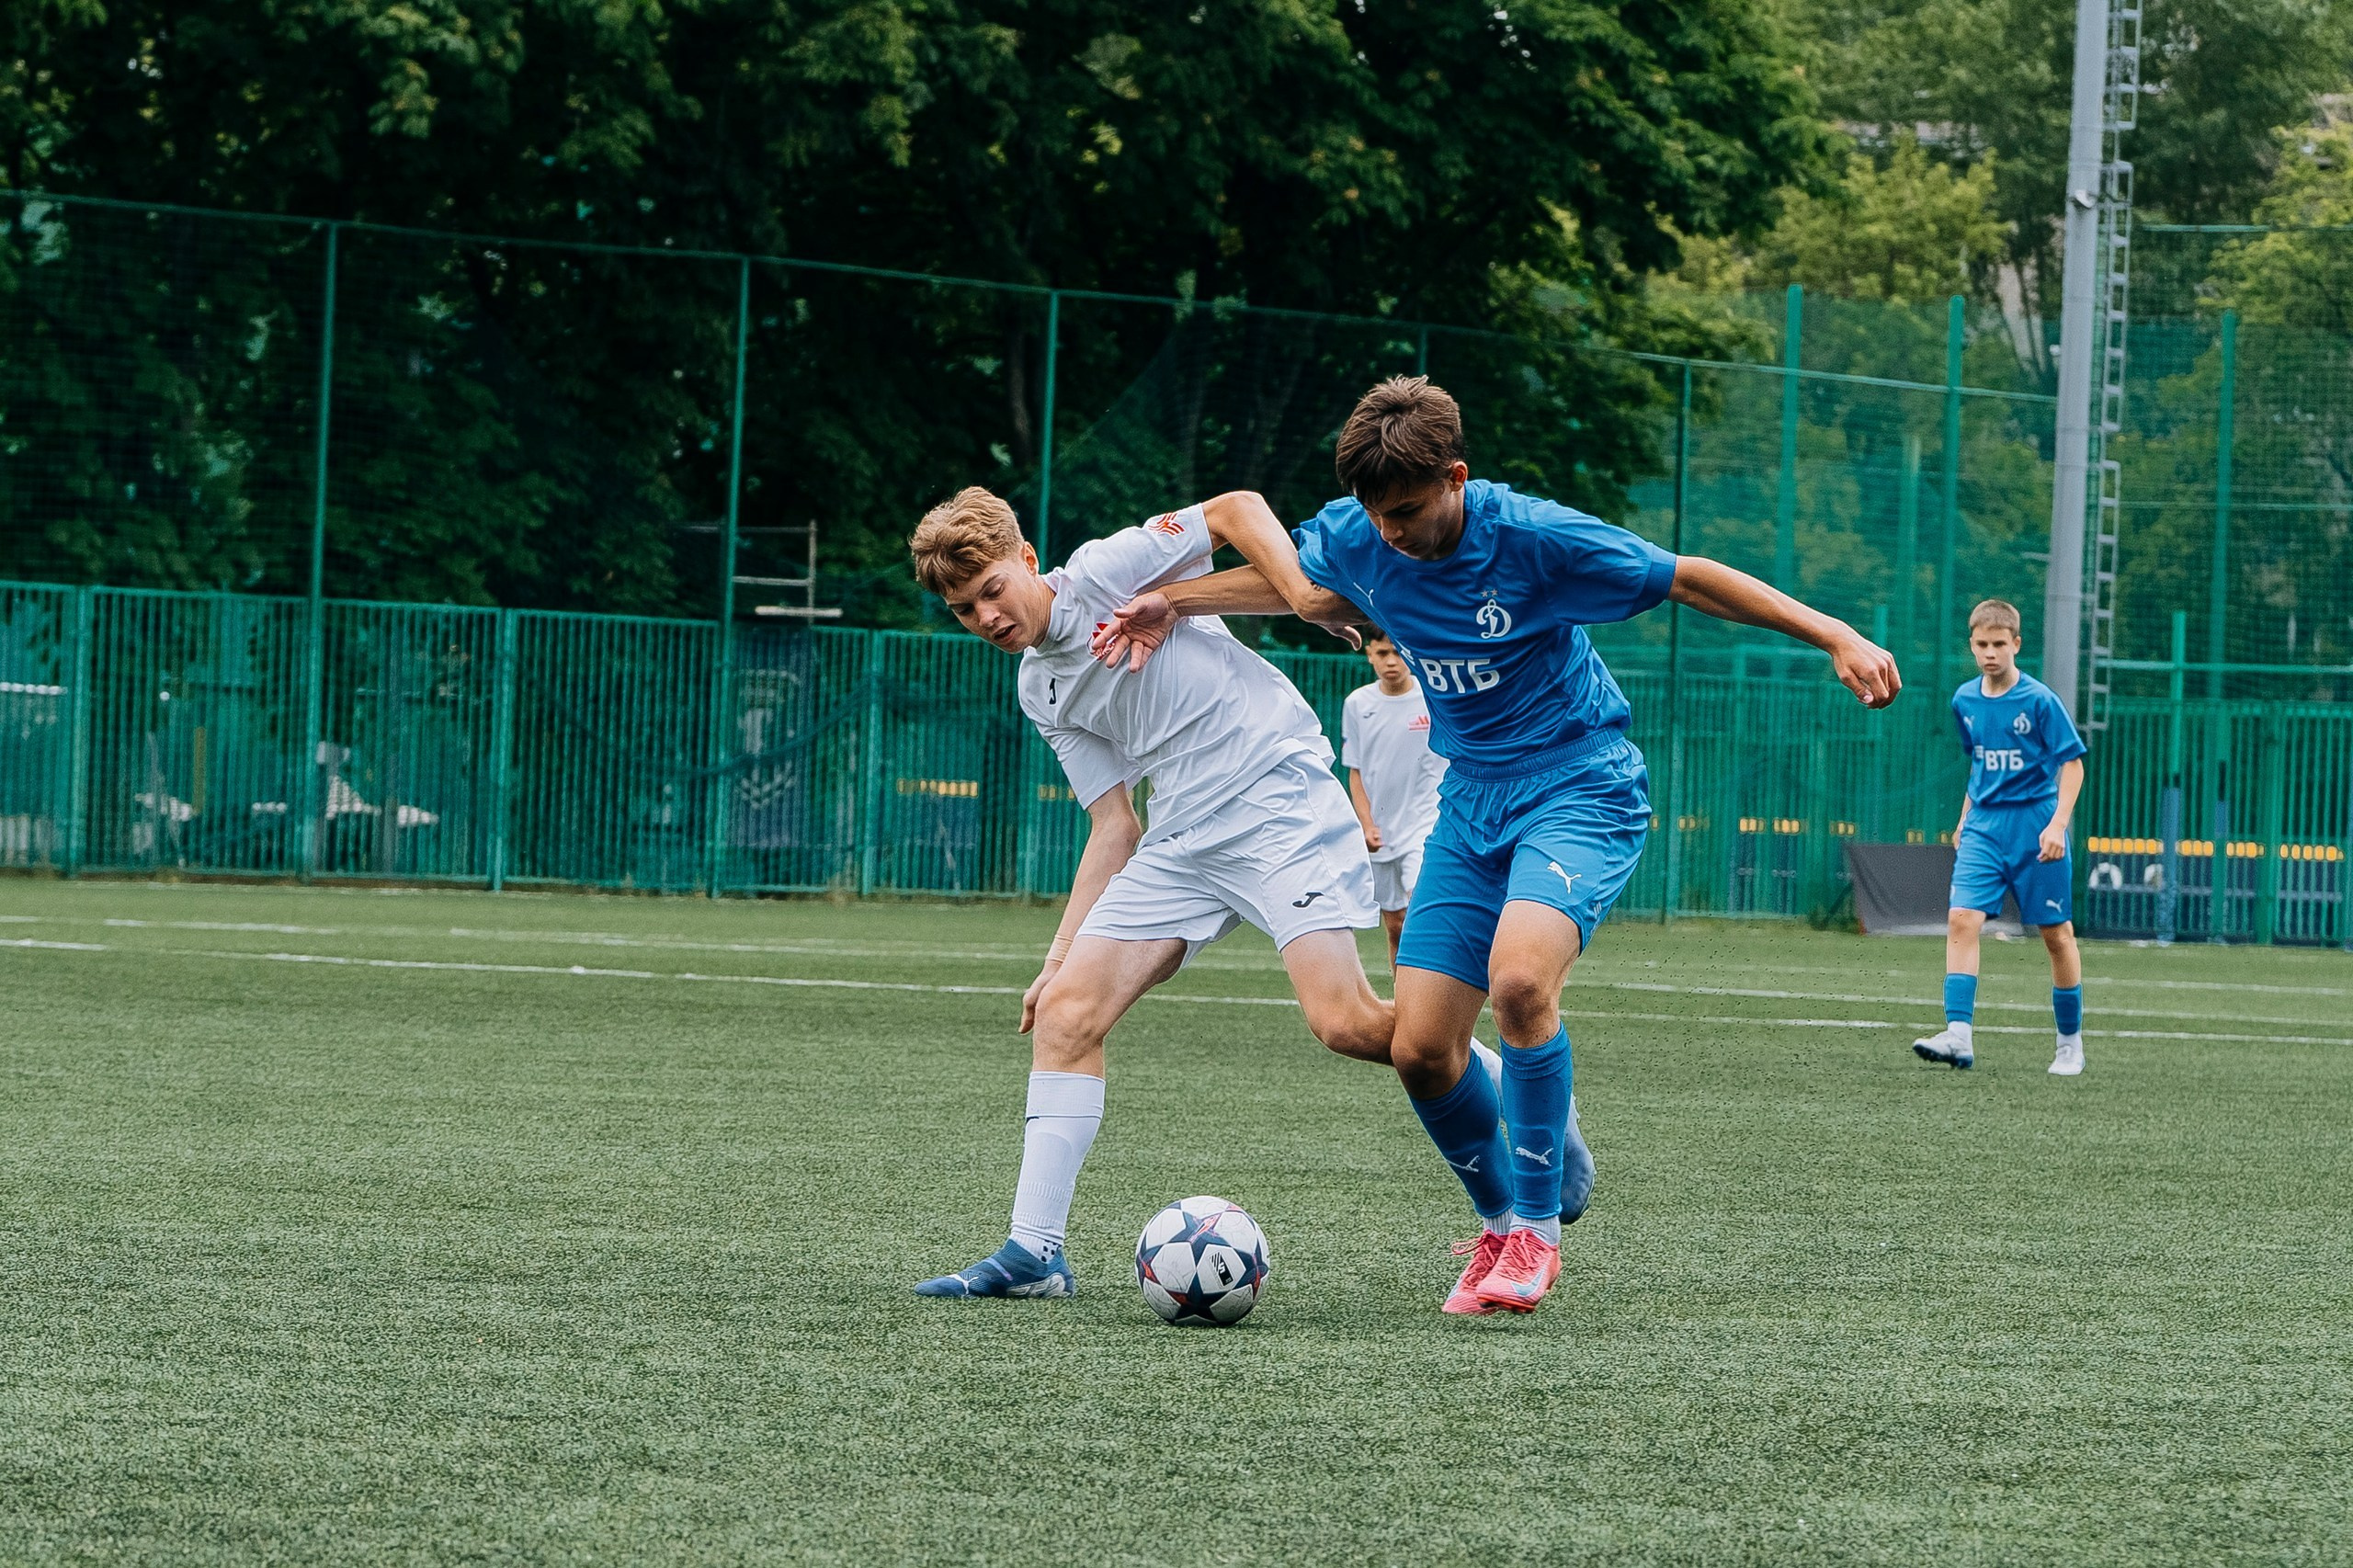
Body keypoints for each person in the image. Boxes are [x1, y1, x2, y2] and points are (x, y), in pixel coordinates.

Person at [1093, 375, 1900, 1314]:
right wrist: (1177, 601)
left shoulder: (1535, 539)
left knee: (1519, 981)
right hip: (1469, 799)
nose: (1390, 533)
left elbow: (1686, 576)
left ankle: (1537, 1237)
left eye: (1407, 510)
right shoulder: (1362, 534)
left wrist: (1832, 631)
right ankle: (1495, 1221)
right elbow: (1307, 588)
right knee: (1421, 1048)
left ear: (1456, 477)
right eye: (1376, 515)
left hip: (1577, 784)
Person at [905, 484, 1500, 1300]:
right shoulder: (1038, 689)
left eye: (992, 591)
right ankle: (1033, 1254)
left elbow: (1238, 509)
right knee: (1068, 1013)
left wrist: (1299, 596)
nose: (986, 618)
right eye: (965, 609)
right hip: (1182, 834)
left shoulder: (1105, 571)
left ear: (1028, 561)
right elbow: (1114, 827)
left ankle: (1524, 1091)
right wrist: (1057, 958)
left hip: (1272, 798)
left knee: (1350, 1025)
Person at [1910, 598, 2089, 1076]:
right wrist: (1966, 815)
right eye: (1981, 645)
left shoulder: (2039, 700)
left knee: (2056, 935)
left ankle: (2069, 1044)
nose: (1990, 653)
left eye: (1998, 644)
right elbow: (1981, 763)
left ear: (2016, 644)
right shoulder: (1964, 700)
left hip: (2035, 825)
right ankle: (1958, 1037)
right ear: (1971, 646)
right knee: (1962, 919)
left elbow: (2072, 766)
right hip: (1985, 826)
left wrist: (2058, 824)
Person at [1343, 628, 1447, 962]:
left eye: (1397, 652)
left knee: (1422, 915)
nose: (1391, 661)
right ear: (1369, 654)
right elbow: (1355, 771)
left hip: (1427, 822)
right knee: (1396, 927)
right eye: (1383, 653)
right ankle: (1408, 1010)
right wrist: (1366, 823)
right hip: (1383, 829)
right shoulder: (1358, 703)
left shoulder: (1433, 697)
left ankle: (1439, 1003)